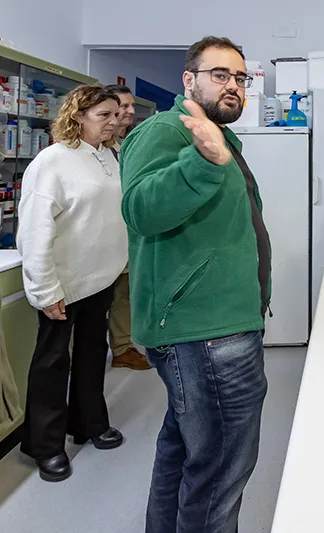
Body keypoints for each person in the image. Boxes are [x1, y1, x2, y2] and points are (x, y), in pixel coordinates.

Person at [120, 36, 270, 533]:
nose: (233, 86)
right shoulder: (167, 131)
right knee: (221, 467)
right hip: (203, 332)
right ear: (189, 80)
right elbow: (141, 209)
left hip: (220, 324)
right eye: (220, 75)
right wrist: (202, 162)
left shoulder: (222, 137)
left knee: (185, 450)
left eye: (241, 78)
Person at [17, 85, 128, 482]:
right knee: (52, 363)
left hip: (99, 278)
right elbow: (33, 230)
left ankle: (89, 424)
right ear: (78, 116)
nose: (114, 122)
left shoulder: (109, 157)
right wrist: (45, 289)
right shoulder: (53, 161)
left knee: (92, 354)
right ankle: (44, 446)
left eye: (117, 115)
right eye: (104, 115)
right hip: (62, 283)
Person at [104, 84, 151, 371]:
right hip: (101, 237)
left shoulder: (126, 144)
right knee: (93, 300)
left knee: (124, 293)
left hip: (127, 233)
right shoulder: (97, 148)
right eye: (124, 105)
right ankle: (75, 354)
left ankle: (122, 348)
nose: (130, 111)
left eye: (132, 106)